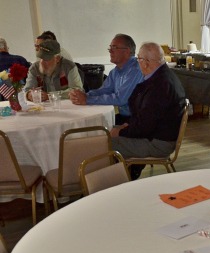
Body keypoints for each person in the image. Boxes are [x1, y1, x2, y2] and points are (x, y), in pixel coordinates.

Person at [110, 42, 186, 179]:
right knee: (107, 132)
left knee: (104, 144)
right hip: (157, 134)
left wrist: (122, 131)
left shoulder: (160, 86)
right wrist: (127, 126)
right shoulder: (161, 76)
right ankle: (123, 176)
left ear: (146, 63)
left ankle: (112, 184)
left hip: (159, 142)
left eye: (138, 59)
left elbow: (145, 126)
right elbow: (141, 112)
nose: (137, 62)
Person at [69, 33, 143, 125]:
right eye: (110, 47)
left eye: (114, 47)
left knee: (97, 129)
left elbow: (120, 99)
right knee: (90, 125)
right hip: (124, 117)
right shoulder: (115, 71)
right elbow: (104, 90)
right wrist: (84, 95)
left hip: (139, 120)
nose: (110, 51)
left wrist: (87, 100)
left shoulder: (136, 70)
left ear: (127, 51)